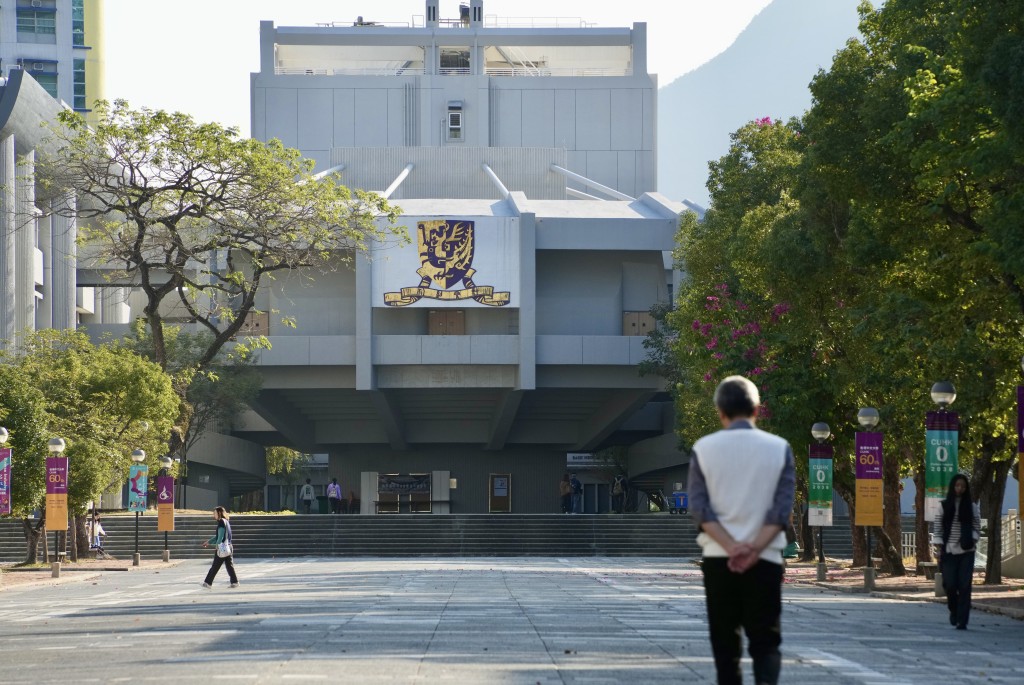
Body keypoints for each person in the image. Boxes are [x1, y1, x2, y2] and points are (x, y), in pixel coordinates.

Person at [688, 375, 795, 685]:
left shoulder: (703, 448)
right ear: (757, 409)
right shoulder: (779, 448)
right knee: (766, 641)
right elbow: (781, 511)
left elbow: (700, 508)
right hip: (767, 558)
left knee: (725, 644)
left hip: (719, 557)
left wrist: (732, 547)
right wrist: (753, 549)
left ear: (720, 410)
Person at [939, 473, 980, 629]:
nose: (960, 488)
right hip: (949, 551)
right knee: (949, 585)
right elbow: (938, 528)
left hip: (967, 551)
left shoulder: (972, 507)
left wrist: (972, 539)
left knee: (964, 585)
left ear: (966, 488)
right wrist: (938, 545)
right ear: (952, 486)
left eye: (962, 486)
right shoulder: (944, 505)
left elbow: (976, 527)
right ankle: (953, 610)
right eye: (957, 485)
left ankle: (962, 620)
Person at [201, 506, 239, 589]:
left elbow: (220, 537)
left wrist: (217, 546)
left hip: (222, 547)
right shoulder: (226, 521)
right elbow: (218, 536)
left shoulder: (221, 522)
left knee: (215, 565)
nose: (213, 515)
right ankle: (235, 582)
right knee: (229, 566)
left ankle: (207, 583)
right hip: (229, 546)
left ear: (219, 513)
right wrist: (209, 542)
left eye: (214, 513)